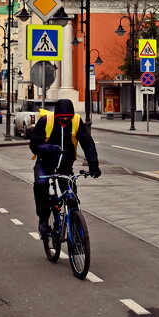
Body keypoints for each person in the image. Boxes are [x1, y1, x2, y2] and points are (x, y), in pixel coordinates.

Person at [30, 98, 101, 235]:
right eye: (61, 118)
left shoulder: (76, 121)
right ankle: (43, 220)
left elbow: (88, 144)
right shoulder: (45, 121)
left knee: (72, 196)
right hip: (44, 164)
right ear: (56, 115)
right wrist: (48, 147)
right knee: (41, 185)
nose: (64, 121)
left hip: (65, 166)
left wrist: (94, 166)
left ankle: (76, 233)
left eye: (67, 118)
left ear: (72, 116)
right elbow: (33, 145)